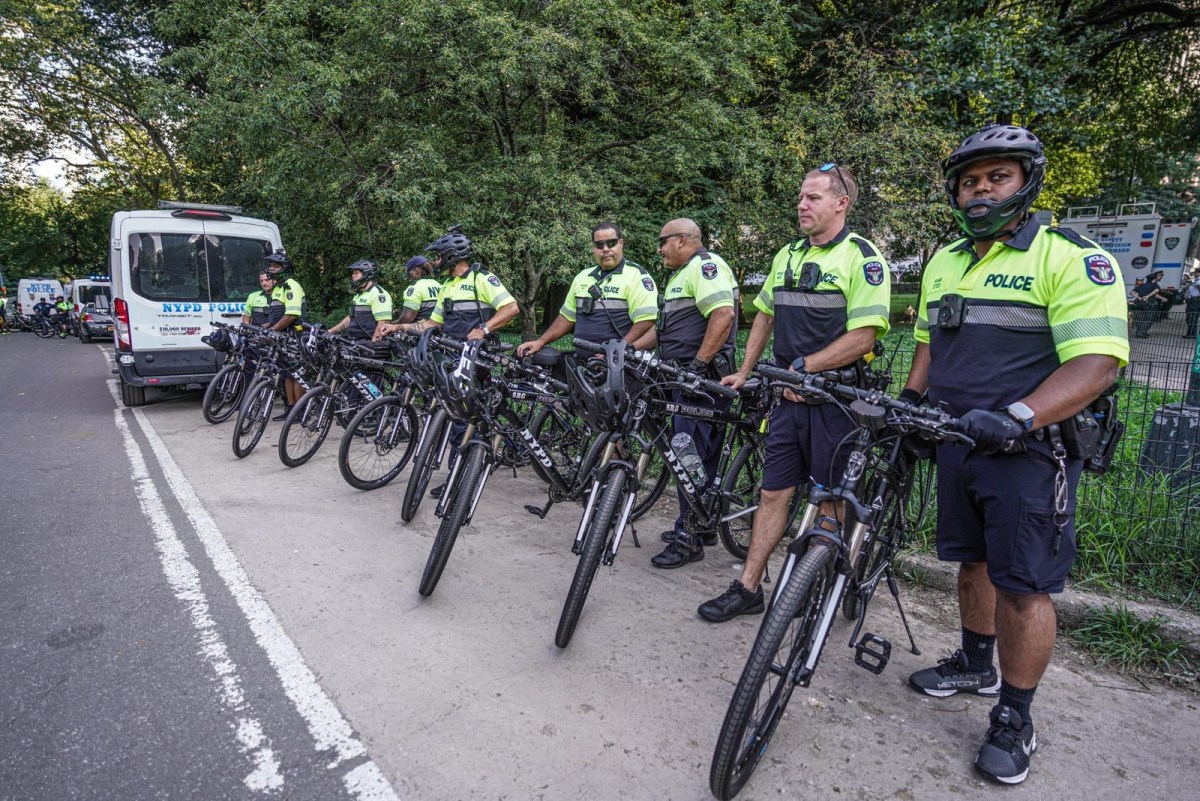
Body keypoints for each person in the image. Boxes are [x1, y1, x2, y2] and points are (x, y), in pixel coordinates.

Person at [901, 124, 1128, 785]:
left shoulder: (1069, 255)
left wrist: (1018, 415)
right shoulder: (945, 259)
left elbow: (1098, 362)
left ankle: (1015, 714)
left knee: (1025, 588)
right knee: (971, 562)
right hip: (958, 441)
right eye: (970, 181)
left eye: (996, 177)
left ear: (1025, 181)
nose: (980, 191)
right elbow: (927, 343)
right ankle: (975, 661)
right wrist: (914, 405)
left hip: (1031, 452)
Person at [698, 162, 891, 621]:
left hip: (836, 405)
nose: (802, 205)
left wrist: (808, 368)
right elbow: (764, 314)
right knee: (772, 494)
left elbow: (864, 337)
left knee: (828, 499)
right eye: (801, 197)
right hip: (787, 399)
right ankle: (749, 588)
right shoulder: (787, 255)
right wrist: (745, 371)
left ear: (841, 203)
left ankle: (812, 581)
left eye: (813, 198)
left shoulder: (863, 258)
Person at [630, 218, 737, 569]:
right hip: (681, 380)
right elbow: (665, 332)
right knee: (695, 457)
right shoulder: (681, 276)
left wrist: (698, 365)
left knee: (687, 457)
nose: (659, 249)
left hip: (699, 383)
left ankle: (687, 538)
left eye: (662, 242)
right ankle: (701, 524)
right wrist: (631, 349)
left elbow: (722, 315)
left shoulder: (706, 268)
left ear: (680, 240)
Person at [393, 227, 520, 497]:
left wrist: (483, 330)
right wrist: (397, 328)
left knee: (464, 419)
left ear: (452, 256)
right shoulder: (447, 286)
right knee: (454, 416)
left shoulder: (481, 279)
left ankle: (459, 480)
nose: (435, 263)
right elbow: (432, 323)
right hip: (451, 357)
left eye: (438, 257)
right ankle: (460, 471)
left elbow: (511, 309)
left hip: (475, 358)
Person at [517, 221, 658, 359]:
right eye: (599, 245)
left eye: (611, 243)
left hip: (619, 365)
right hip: (582, 365)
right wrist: (540, 341)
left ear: (621, 243)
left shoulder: (637, 276)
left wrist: (616, 351)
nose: (605, 249)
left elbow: (647, 321)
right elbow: (567, 317)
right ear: (593, 247)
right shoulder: (583, 277)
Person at [263, 249, 306, 419]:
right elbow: (278, 315)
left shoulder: (291, 286)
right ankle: (291, 409)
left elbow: (291, 314)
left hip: (294, 335)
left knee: (296, 373)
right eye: (270, 265)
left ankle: (300, 411)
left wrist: (273, 329)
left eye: (275, 266)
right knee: (286, 373)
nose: (271, 268)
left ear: (284, 268)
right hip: (282, 336)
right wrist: (267, 326)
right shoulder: (278, 288)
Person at [328, 260, 393, 341]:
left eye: (356, 273)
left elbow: (383, 324)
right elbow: (350, 318)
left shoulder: (379, 294)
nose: (352, 276)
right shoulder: (358, 295)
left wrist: (373, 346)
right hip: (354, 343)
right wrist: (330, 331)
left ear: (367, 274)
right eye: (353, 273)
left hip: (369, 346)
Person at [396, 256, 443, 325]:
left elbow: (407, 318)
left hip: (419, 332)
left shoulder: (415, 288)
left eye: (409, 274)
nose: (409, 278)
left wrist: (392, 325)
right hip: (439, 331)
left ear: (416, 271)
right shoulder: (440, 286)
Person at [1130, 270, 1163, 337]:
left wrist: (1138, 297)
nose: (1161, 278)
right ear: (1154, 278)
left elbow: (1132, 292)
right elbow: (1156, 290)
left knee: (1139, 320)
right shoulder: (1155, 285)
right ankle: (1142, 333)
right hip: (1149, 305)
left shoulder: (1142, 285)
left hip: (1139, 304)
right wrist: (1148, 296)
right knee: (1148, 319)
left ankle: (1140, 332)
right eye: (1160, 276)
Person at [1184, 270, 1200, 338]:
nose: (1194, 273)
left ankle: (1192, 334)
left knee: (1192, 317)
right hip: (1193, 301)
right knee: (1190, 317)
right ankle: (1190, 333)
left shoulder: (1198, 280)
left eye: (1196, 272)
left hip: (1194, 302)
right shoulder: (1195, 280)